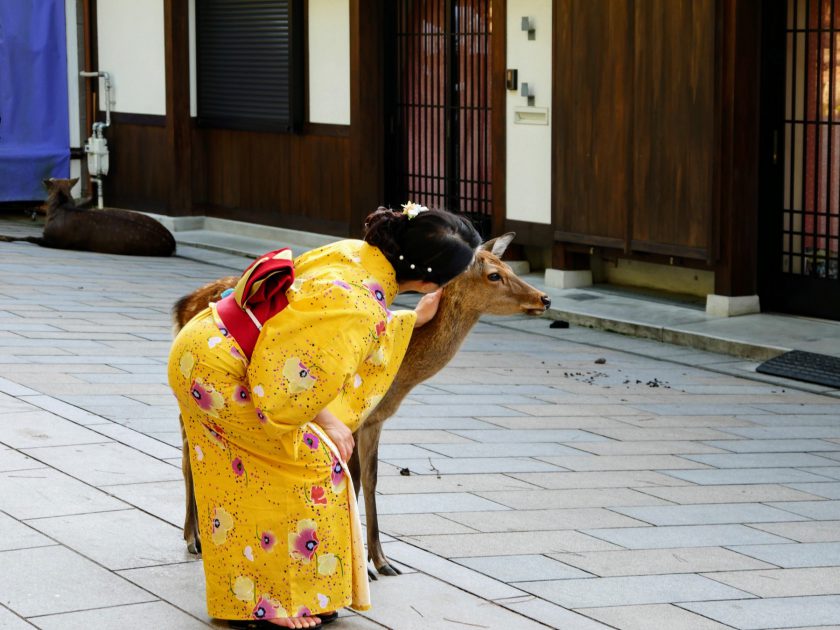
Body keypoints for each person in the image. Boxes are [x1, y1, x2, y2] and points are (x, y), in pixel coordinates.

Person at [167, 204, 482, 628]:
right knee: (309, 467)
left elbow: (330, 324)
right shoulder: (358, 305)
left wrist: (406, 321)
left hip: (210, 347)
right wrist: (330, 422)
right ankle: (274, 601)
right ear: (428, 281)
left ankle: (264, 593)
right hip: (220, 374)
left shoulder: (358, 255)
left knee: (241, 477)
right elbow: (285, 384)